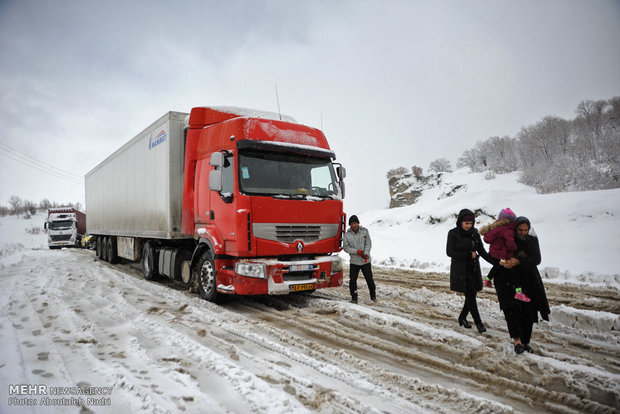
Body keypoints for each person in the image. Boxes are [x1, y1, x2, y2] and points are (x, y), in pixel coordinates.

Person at [495, 216, 550, 354]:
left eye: (525, 230)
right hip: (511, 280)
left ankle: (526, 341)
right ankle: (517, 341)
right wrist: (502, 262)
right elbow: (498, 254)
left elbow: (537, 259)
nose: (523, 232)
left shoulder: (532, 240)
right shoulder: (509, 239)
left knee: (529, 311)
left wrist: (518, 261)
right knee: (513, 310)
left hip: (529, 279)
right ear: (515, 228)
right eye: (520, 229)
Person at [446, 209, 497, 333]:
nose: (469, 226)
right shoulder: (453, 233)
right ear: (460, 222)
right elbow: (450, 252)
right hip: (461, 269)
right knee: (470, 295)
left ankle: (462, 317)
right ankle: (478, 323)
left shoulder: (474, 233)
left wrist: (496, 262)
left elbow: (482, 251)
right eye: (466, 223)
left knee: (472, 295)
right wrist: (467, 255)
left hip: (473, 268)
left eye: (471, 223)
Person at [480, 208, 530, 302]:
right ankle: (518, 293)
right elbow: (510, 245)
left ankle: (487, 280)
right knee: (514, 273)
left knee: (496, 266)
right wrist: (515, 248)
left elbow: (487, 239)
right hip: (503, 255)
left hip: (494, 254)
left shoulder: (496, 228)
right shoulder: (508, 231)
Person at [343, 215, 376, 304]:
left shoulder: (365, 231)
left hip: (365, 261)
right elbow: (346, 248)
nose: (354, 225)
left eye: (355, 223)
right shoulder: (347, 235)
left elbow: (368, 243)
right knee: (353, 281)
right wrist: (357, 252)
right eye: (352, 224)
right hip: (354, 262)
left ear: (358, 223)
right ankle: (354, 298)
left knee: (369, 279)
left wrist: (366, 253)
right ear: (350, 225)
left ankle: (373, 297)